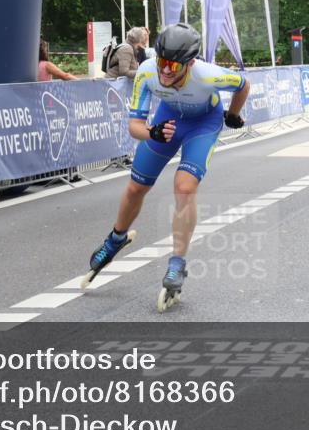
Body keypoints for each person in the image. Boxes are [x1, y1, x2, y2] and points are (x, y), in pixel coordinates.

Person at [82, 23, 251, 312]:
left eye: (174, 64)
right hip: (167, 122)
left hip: (203, 125)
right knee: (136, 186)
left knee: (184, 186)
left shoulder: (207, 74)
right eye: (163, 61)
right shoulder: (148, 70)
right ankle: (115, 240)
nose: (167, 70)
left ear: (191, 63)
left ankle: (177, 264)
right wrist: (152, 133)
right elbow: (134, 125)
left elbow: (243, 84)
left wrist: (233, 113)